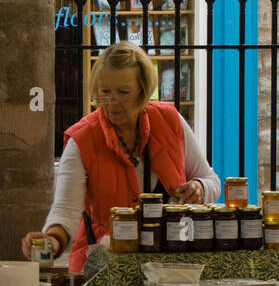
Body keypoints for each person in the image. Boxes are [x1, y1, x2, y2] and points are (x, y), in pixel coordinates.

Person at [21, 41, 221, 272]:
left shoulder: (170, 120)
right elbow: (65, 210)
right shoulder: (82, 139)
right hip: (104, 268)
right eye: (104, 92)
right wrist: (52, 241)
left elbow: (211, 180)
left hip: (170, 266)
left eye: (123, 92)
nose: (111, 101)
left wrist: (200, 187)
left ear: (143, 91)